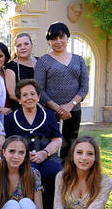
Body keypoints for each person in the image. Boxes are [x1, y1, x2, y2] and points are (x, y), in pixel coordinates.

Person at [4, 79, 61, 209]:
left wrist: (45, 152)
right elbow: (8, 142)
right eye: (24, 95)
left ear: (38, 96)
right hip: (21, 159)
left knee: (55, 172)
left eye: (32, 94)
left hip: (46, 157)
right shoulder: (11, 118)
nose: (29, 97)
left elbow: (57, 139)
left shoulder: (49, 115)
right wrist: (21, 154)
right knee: (31, 174)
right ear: (19, 98)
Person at [34, 22, 89, 158]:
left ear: (67, 38)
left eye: (61, 37)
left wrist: (70, 106)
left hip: (73, 112)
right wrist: (58, 109)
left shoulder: (79, 60)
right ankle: (52, 177)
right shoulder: (43, 61)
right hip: (51, 113)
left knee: (70, 148)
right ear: (49, 41)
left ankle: (67, 177)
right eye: (53, 38)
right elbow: (39, 89)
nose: (58, 42)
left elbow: (84, 87)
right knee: (51, 148)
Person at [6, 33, 38, 111]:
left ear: (32, 45)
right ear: (15, 48)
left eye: (26, 44)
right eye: (19, 45)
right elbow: (12, 94)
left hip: (41, 108)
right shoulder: (11, 67)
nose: (23, 47)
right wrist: (31, 102)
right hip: (20, 109)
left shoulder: (40, 62)